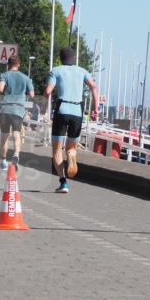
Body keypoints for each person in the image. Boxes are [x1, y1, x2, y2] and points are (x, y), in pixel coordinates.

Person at [44, 47, 99, 194]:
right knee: (71, 147)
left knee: (56, 150)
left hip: (62, 110)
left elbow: (48, 91)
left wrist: (44, 108)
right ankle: (71, 155)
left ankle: (63, 183)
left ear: (60, 58)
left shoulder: (55, 71)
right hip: (77, 112)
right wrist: (95, 108)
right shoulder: (82, 71)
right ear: (74, 58)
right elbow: (93, 86)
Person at [0, 55, 35, 169]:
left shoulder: (4, 75)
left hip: (6, 108)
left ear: (8, 64)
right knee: (17, 134)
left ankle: (3, 161)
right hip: (18, 109)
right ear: (18, 64)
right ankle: (16, 154)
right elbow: (32, 94)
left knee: (4, 136)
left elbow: (0, 89)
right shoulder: (26, 78)